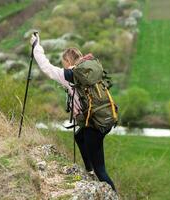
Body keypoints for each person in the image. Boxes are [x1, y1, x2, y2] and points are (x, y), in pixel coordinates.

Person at [30, 33, 116, 191]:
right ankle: (88, 170)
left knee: (101, 170)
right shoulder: (89, 71)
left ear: (68, 61)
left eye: (64, 63)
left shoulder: (70, 75)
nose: (63, 66)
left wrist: (37, 47)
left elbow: (46, 67)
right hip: (105, 118)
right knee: (79, 136)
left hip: (94, 125)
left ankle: (110, 191)